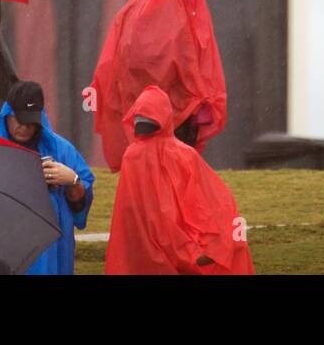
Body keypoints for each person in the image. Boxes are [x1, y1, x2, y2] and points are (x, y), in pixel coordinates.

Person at [90, 0, 227, 170]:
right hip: (177, 111)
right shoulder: (176, 12)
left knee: (144, 171)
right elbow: (188, 59)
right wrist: (195, 98)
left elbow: (109, 66)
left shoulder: (125, 15)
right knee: (177, 173)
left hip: (137, 113)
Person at [106, 86, 254, 275]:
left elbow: (136, 214)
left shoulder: (133, 156)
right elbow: (209, 201)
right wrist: (208, 247)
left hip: (144, 253)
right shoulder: (180, 154)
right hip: (181, 249)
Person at [0, 81, 94, 275]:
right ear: (7, 114)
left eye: (31, 122)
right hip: (0, 247)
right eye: (19, 119)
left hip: (48, 254)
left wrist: (73, 181)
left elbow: (80, 211)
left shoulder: (62, 151)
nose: (25, 127)